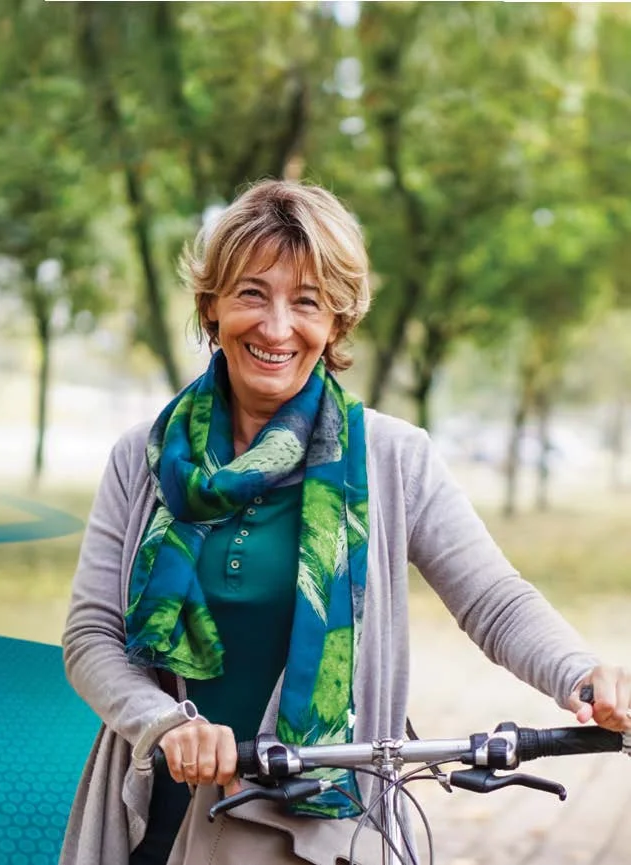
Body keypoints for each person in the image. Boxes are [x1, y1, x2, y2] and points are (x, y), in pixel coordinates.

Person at [58, 179, 630, 865]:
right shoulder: (144, 457)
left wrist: (582, 674)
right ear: (210, 307)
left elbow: (493, 599)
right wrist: (163, 723)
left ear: (336, 323)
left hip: (320, 827)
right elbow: (91, 634)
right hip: (160, 815)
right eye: (250, 293)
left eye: (306, 301)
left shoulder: (392, 458)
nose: (276, 326)